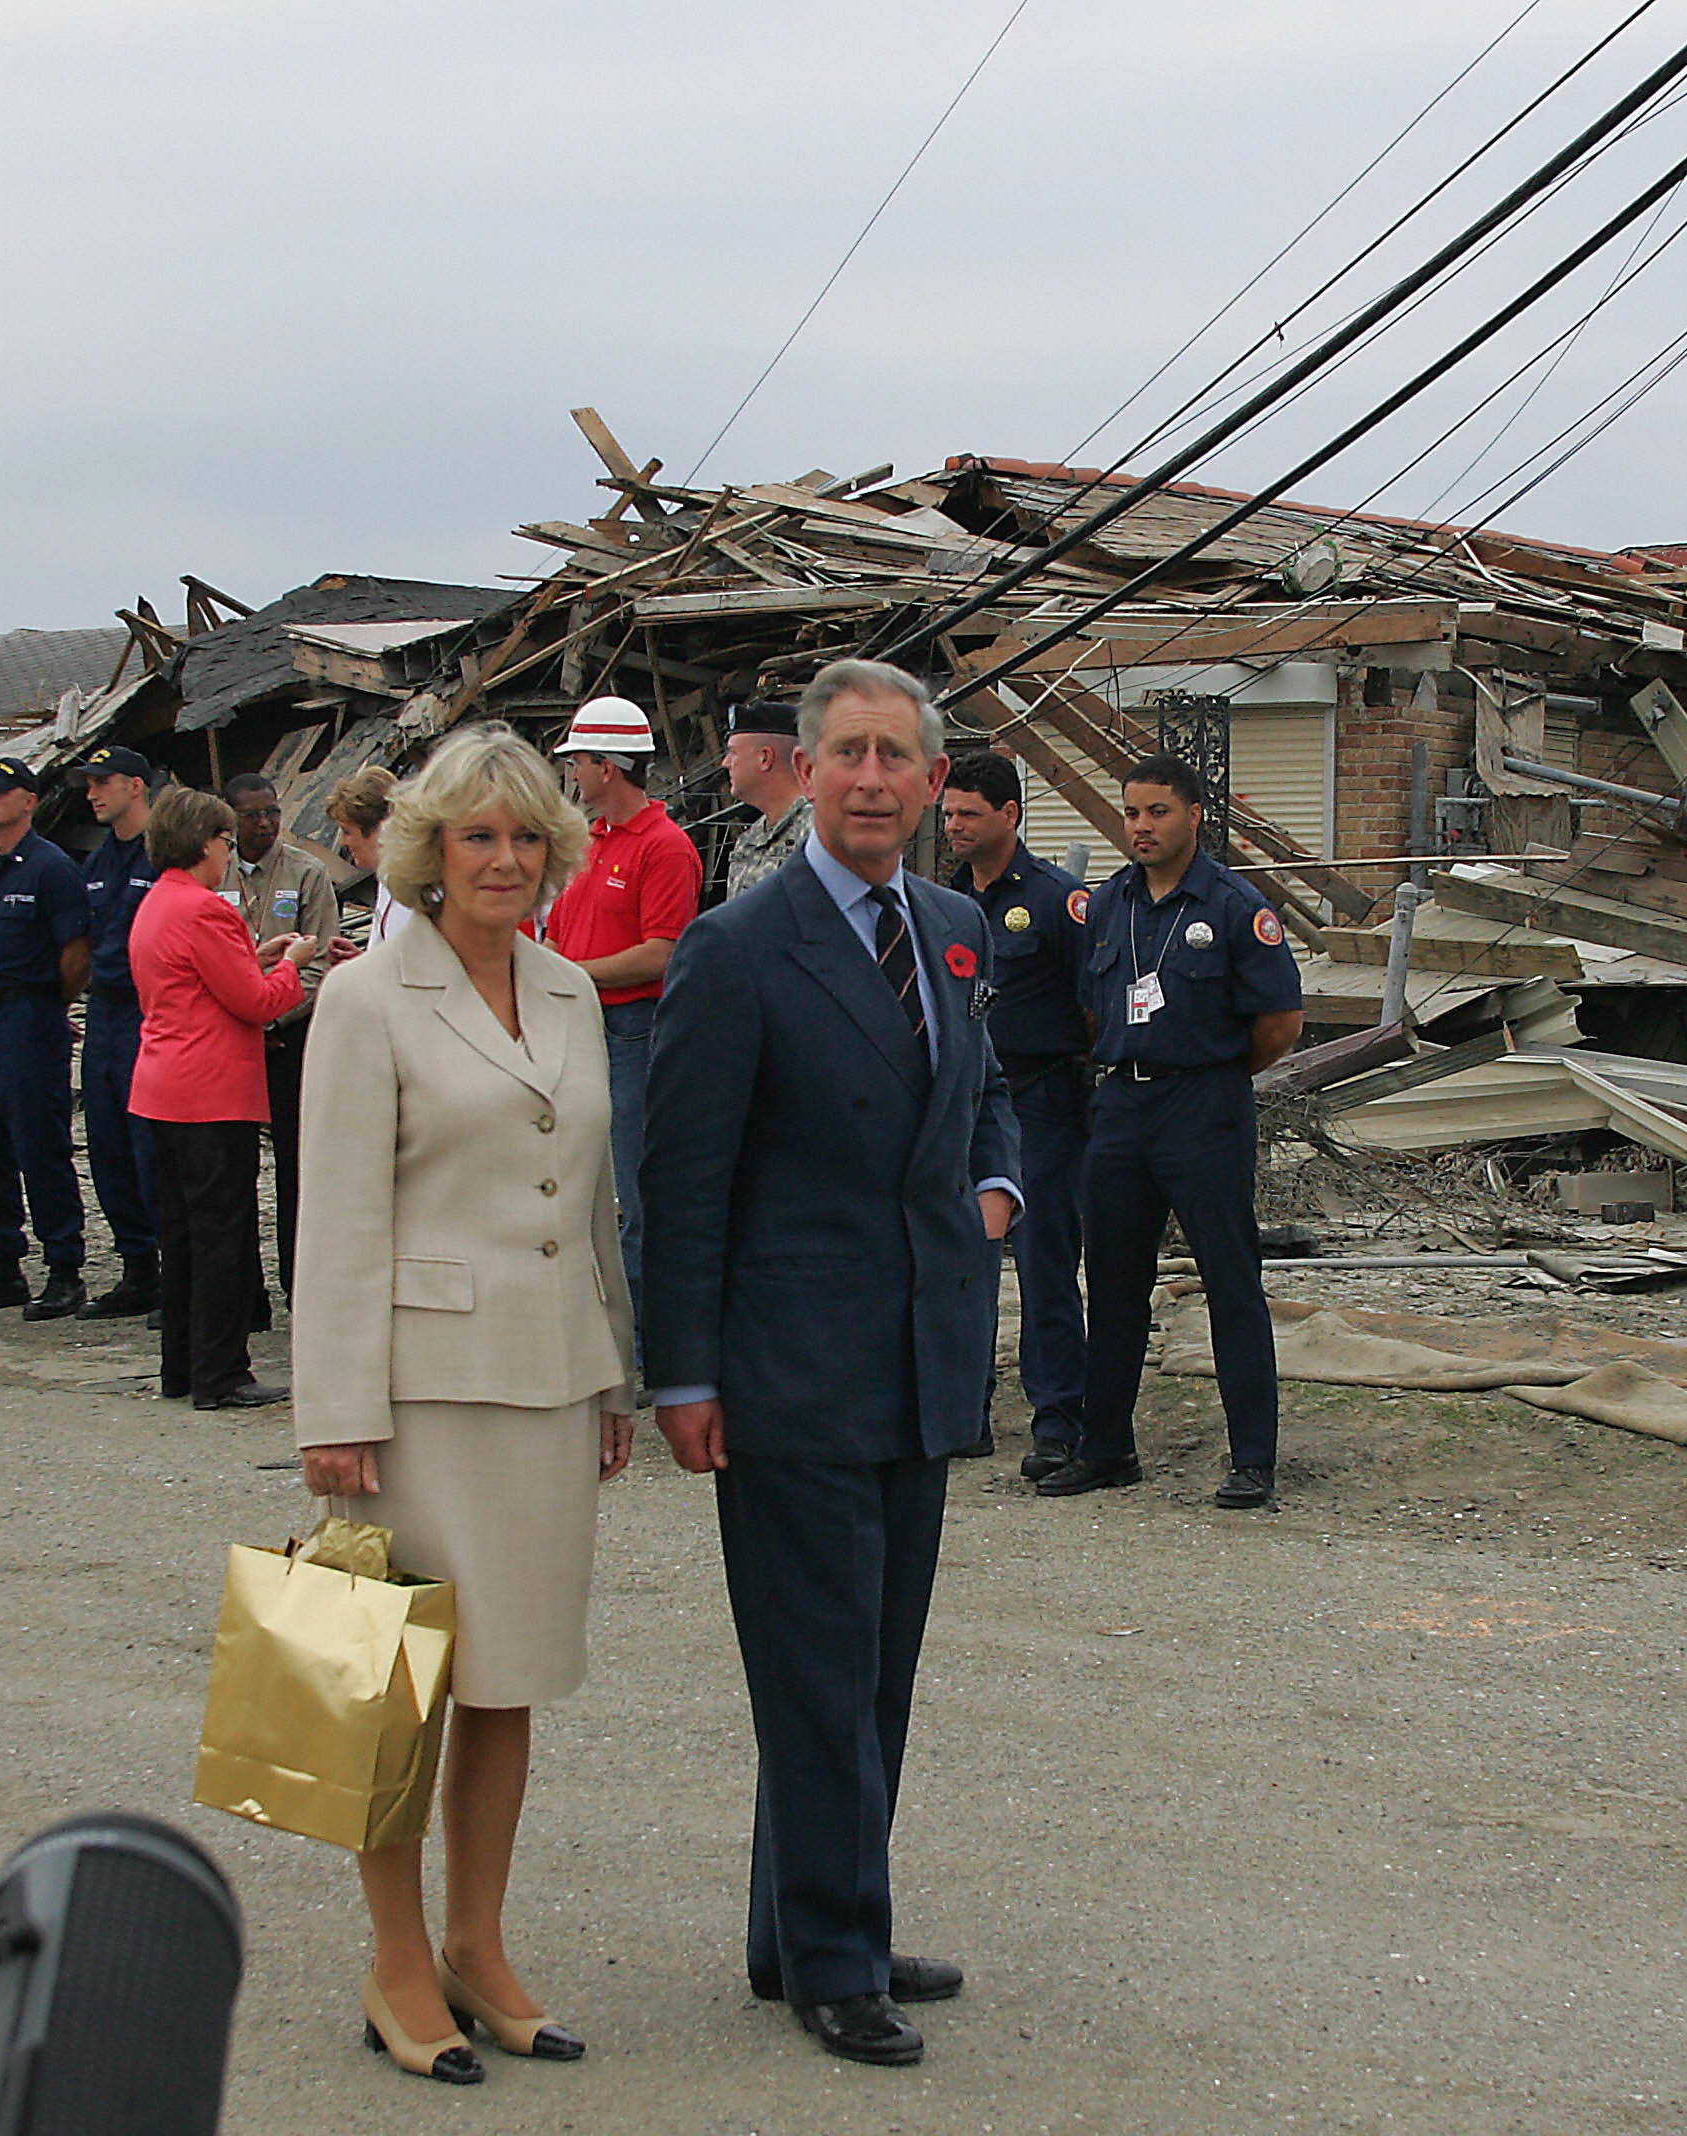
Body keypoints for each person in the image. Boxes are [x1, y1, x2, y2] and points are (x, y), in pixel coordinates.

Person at [639, 659, 1018, 2069]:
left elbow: (991, 1101)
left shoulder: (958, 926)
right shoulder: (740, 946)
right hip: (786, 1368)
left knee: (875, 1671)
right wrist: (681, 1376)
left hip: (920, 1355)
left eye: (894, 756)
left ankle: (799, 1924)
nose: (870, 778)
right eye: (844, 753)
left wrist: (1000, 1194)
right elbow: (680, 1180)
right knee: (813, 1675)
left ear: (932, 783)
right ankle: (836, 1958)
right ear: (802, 774)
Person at [291, 723, 634, 2088]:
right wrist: (336, 1408)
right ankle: (393, 1956)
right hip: (417, 1400)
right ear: (432, 852)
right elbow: (334, 1219)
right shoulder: (366, 1001)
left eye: (527, 836)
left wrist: (611, 1365)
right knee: (400, 1691)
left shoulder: (569, 991)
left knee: (511, 1685)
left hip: (548, 1382)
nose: (505, 858)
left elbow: (593, 1203)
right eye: (479, 837)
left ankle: (478, 1947)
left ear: (556, 851)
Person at [1040, 754, 1305, 1510]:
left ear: (1193, 815)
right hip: (1122, 1105)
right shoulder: (1110, 904)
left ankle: (1253, 1457)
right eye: (1131, 813)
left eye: (1157, 812)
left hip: (1203, 1107)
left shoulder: (1230, 904)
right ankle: (1107, 1447)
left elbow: (1280, 1023)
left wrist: (1211, 1071)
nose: (1141, 827)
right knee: (1116, 1284)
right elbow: (1096, 1007)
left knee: (1230, 1282)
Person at [127, 785, 310, 1408]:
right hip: (211, 1093)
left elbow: (202, 975)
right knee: (221, 1236)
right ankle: (222, 1370)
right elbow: (256, 1002)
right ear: (206, 843)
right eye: (226, 842)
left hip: (163, 1086)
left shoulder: (158, 903)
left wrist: (257, 954)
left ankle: (182, 1365)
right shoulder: (205, 909)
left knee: (179, 1235)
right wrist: (294, 964)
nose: (229, 854)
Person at [940, 751, 1091, 1477]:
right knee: (960, 1262)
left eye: (969, 813)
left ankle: (1058, 1419)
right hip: (960, 1105)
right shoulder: (943, 906)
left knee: (1044, 1264)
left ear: (1010, 815)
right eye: (947, 814)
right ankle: (965, 1409)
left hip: (1040, 1100)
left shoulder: (1060, 902)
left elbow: (1094, 1007)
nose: (955, 826)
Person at [541, 696, 700, 1323]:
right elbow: (558, 931)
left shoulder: (663, 847)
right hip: (582, 1031)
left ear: (608, 766)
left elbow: (664, 954)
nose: (573, 773)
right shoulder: (589, 843)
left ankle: (643, 1344)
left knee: (635, 1195)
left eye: (578, 760)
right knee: (581, 1189)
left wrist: (567, 977)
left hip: (633, 1033)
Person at [0, 756, 92, 1320]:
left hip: (28, 1016)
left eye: (0, 793)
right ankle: (1, 1262)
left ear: (29, 801)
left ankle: (64, 1268)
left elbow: (75, 952)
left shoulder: (50, 868)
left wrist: (47, 1009)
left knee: (39, 1144)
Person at [218, 772, 338, 1323]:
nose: (264, 823)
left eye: (272, 812)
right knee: (232, 1171)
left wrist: (271, 1009)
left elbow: (319, 963)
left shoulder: (307, 873)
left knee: (297, 1170)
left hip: (288, 1037)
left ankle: (301, 1289)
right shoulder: (211, 873)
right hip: (231, 1042)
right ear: (230, 817)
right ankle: (244, 1294)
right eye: (251, 814)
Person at [72, 746, 163, 1322]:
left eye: (102, 783)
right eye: (88, 784)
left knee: (149, 1145)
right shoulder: (98, 863)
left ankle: (170, 1265)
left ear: (135, 785)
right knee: (105, 1143)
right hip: (103, 1012)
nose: (91, 793)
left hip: (148, 1011)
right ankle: (136, 1268)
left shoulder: (165, 855)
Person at [718, 698, 813, 898]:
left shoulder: (821, 833)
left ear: (765, 758)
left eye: (733, 753)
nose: (725, 763)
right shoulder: (750, 839)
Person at [323, 764, 408, 955]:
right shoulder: (388, 883)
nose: (343, 842)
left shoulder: (413, 891)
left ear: (377, 829)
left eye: (347, 832)